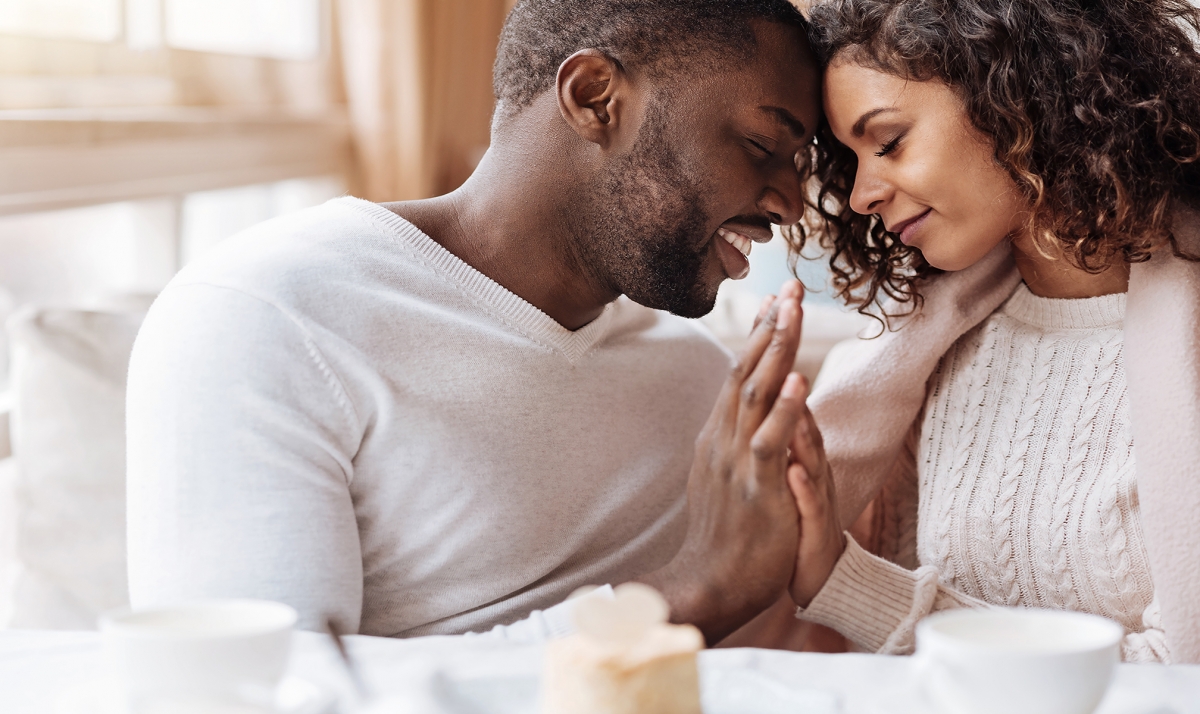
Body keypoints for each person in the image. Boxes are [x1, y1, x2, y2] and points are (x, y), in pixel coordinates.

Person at [125, 0, 821, 644]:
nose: (792, 203)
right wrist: (690, 593)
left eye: (802, 165)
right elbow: (266, 691)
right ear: (594, 99)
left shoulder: (701, 379)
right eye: (764, 144)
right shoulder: (270, 316)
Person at [779, 0, 1200, 662]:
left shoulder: (1187, 338)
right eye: (851, 157)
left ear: (1017, 100)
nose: (862, 194)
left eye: (888, 142)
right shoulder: (934, 348)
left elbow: (1182, 670)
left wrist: (847, 582)